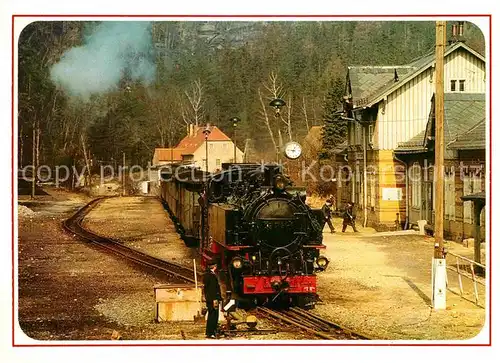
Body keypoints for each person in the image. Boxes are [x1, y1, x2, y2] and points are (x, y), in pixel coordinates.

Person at [203, 261, 222, 339]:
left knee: (212, 314)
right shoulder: (211, 276)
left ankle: (209, 332)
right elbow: (212, 289)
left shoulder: (207, 275)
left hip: (211, 298)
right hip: (213, 299)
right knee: (214, 315)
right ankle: (212, 332)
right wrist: (216, 298)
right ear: (214, 266)